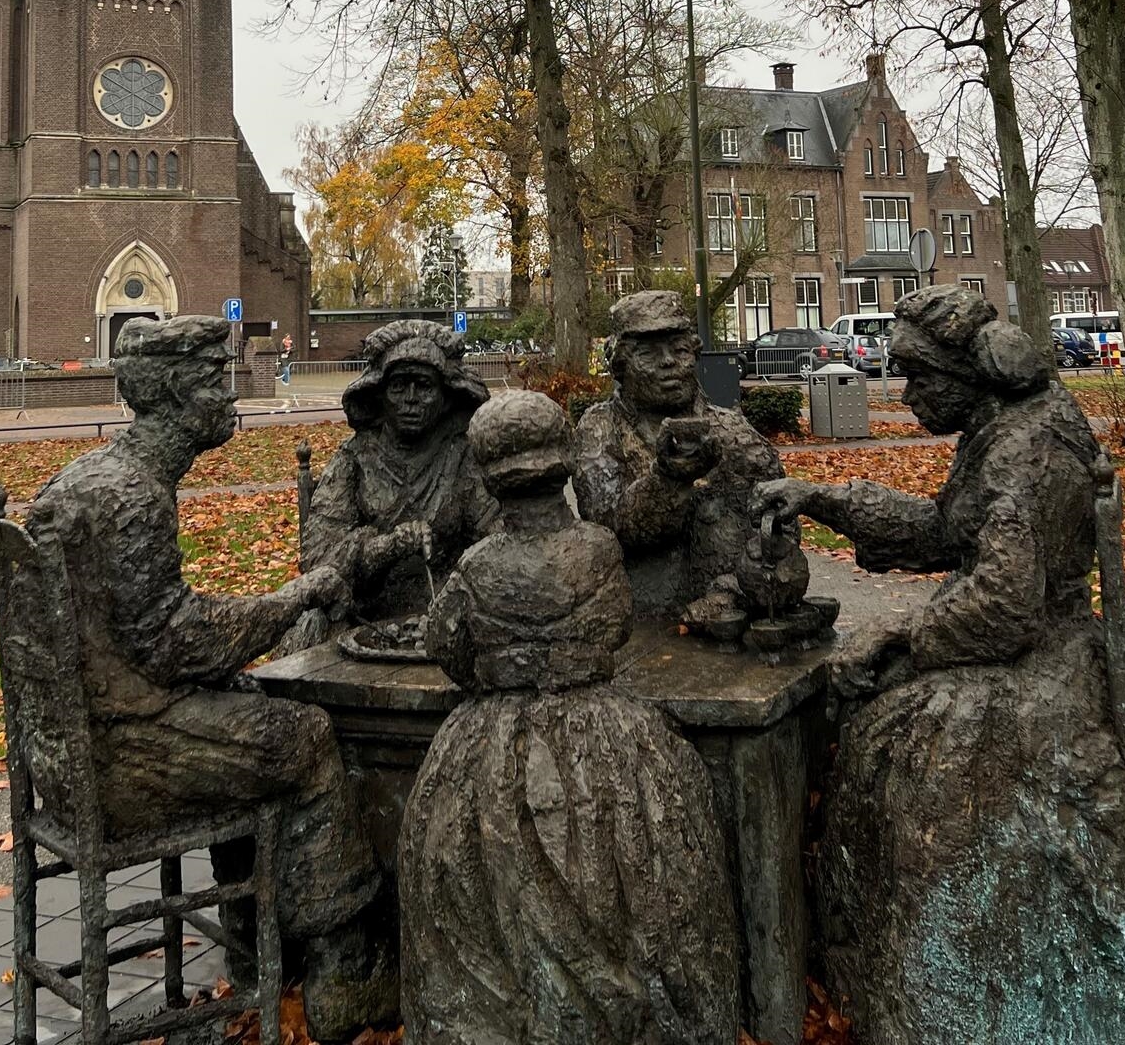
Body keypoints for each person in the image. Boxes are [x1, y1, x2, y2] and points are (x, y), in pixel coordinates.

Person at [753, 285, 1125, 1045]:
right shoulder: (1000, 429)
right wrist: (825, 499)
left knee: (906, 752)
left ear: (967, 374)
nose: (906, 394)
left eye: (918, 377)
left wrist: (903, 634)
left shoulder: (1026, 450)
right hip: (1019, 643)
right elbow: (946, 531)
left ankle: (939, 993)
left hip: (1041, 666)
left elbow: (1005, 603)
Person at [26, 315, 397, 1043]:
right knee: (303, 738)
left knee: (252, 706)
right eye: (211, 380)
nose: (229, 396)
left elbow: (149, 633)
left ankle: (256, 949)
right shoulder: (132, 496)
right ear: (172, 394)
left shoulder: (87, 477)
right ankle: (344, 970)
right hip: (117, 764)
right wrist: (292, 599)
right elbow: (178, 643)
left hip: (64, 755)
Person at [399, 390, 740, 1044]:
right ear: (562, 466)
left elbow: (447, 646)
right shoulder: (599, 549)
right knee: (632, 860)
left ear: (489, 477)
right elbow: (614, 628)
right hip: (604, 732)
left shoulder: (477, 566)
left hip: (490, 740)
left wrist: (499, 665)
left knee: (471, 871)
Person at [575, 289, 819, 639]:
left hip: (735, 621)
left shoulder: (733, 432)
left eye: (679, 350)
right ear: (620, 365)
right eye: (648, 353)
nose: (668, 362)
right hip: (637, 625)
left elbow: (781, 527)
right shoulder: (600, 429)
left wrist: (735, 590)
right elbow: (607, 528)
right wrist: (667, 480)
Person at [297, 319, 497, 630]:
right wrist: (386, 547)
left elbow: (497, 540)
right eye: (399, 386)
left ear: (446, 397)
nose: (411, 398)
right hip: (364, 618)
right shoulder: (355, 457)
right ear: (379, 393)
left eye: (424, 386)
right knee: (310, 626)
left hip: (450, 615)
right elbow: (318, 556)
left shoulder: (463, 456)